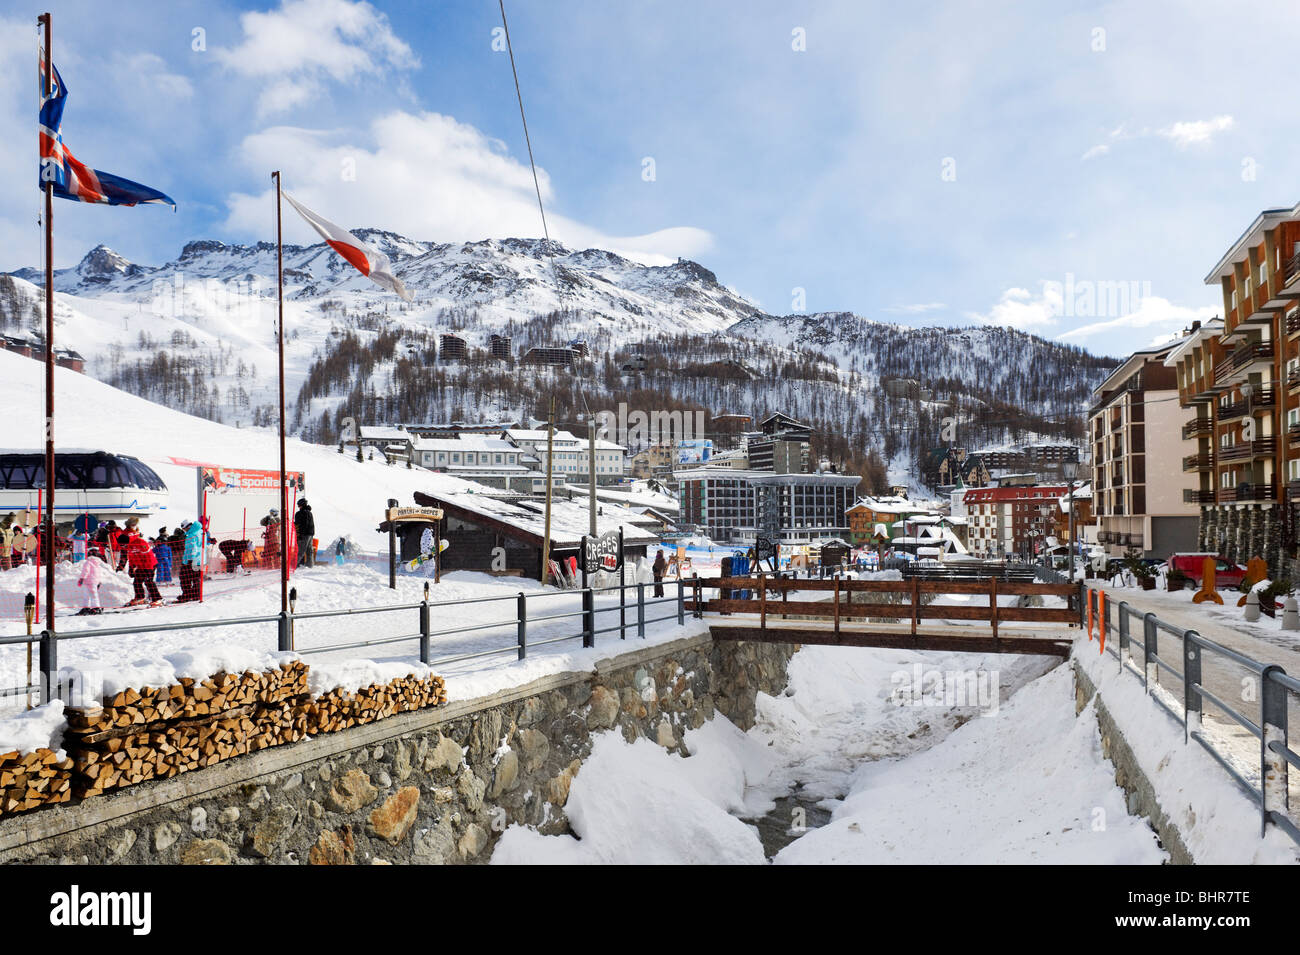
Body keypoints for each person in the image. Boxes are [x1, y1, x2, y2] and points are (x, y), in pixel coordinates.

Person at [125, 527, 162, 606]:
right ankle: (140, 597)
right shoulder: (129, 545)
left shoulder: (141, 542)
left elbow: (149, 557)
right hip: (141, 566)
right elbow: (131, 557)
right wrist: (131, 567)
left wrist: (148, 570)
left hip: (150, 564)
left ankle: (157, 599)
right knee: (136, 582)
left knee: (148, 581)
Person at [177, 518, 207, 603]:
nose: (184, 531)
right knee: (196, 578)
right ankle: (196, 595)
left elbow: (192, 548)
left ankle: (187, 595)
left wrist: (189, 560)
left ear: (188, 527)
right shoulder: (201, 532)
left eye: (184, 529)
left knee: (184, 577)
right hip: (200, 559)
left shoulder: (191, 535)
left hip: (192, 560)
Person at [294, 499, 315, 567]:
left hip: (304, 535)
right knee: (309, 551)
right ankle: (310, 565)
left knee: (300, 551)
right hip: (310, 534)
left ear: (301, 505)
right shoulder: (309, 512)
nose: (298, 506)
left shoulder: (300, 513)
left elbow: (300, 525)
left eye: (298, 505)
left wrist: (299, 535)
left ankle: (293, 565)